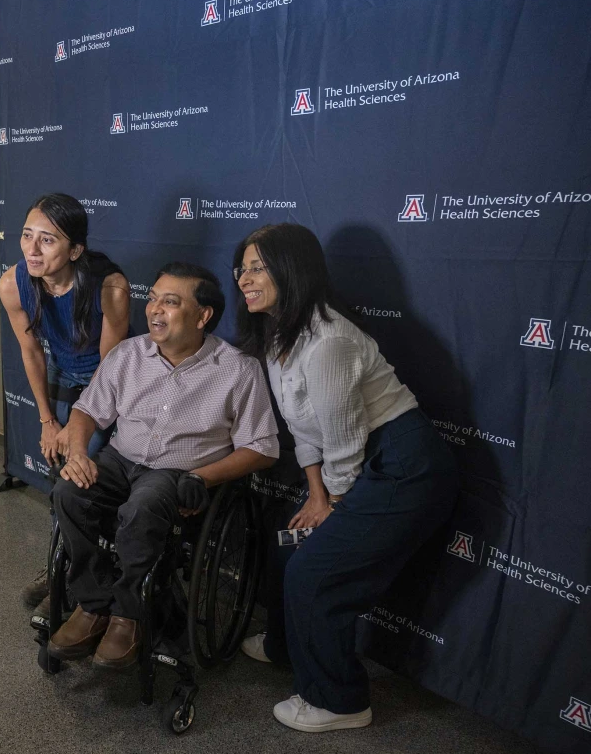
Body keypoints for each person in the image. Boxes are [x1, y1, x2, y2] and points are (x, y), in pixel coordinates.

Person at [232, 223, 458, 732]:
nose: (244, 278)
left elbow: (344, 440)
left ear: (293, 270)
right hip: (354, 460)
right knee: (289, 541)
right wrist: (315, 496)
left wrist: (332, 501)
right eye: (242, 267)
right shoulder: (276, 335)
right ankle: (283, 647)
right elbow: (301, 427)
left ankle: (340, 701)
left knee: (315, 571)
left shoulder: (328, 338)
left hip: (404, 465)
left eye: (258, 267)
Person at [46, 263, 279, 668]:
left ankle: (128, 615)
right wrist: (79, 453)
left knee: (144, 505)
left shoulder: (239, 370)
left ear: (203, 315)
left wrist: (202, 477)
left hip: (177, 471)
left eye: (170, 302)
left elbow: (262, 447)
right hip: (121, 459)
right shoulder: (128, 355)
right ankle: (92, 604)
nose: (154, 309)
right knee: (68, 491)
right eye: (152, 298)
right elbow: (86, 411)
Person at [0, 193, 130, 614]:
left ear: (75, 250)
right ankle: (64, 563)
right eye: (26, 236)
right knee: (61, 470)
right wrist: (46, 420)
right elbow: (32, 351)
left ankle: (71, 578)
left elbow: (111, 373)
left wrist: (76, 430)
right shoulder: (12, 284)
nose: (32, 250)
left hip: (108, 381)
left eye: (48, 241)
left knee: (78, 470)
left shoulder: (110, 287)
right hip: (62, 372)